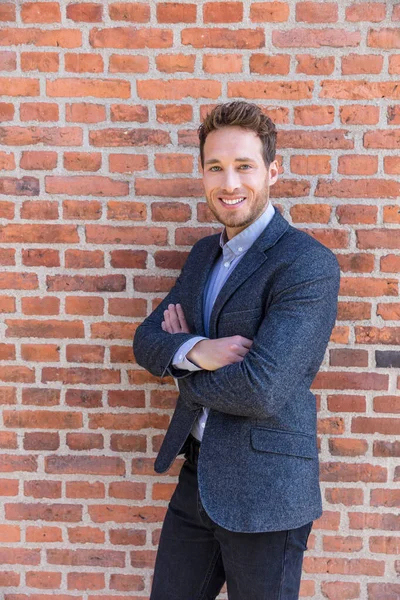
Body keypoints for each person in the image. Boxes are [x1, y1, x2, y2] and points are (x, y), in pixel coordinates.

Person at [133, 100, 340, 600]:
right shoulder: (205, 254)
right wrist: (201, 348)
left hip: (266, 493)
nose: (230, 184)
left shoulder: (306, 264)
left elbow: (261, 390)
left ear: (272, 169)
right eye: (216, 167)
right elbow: (147, 340)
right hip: (197, 477)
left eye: (244, 166)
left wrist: (181, 367)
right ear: (202, 173)